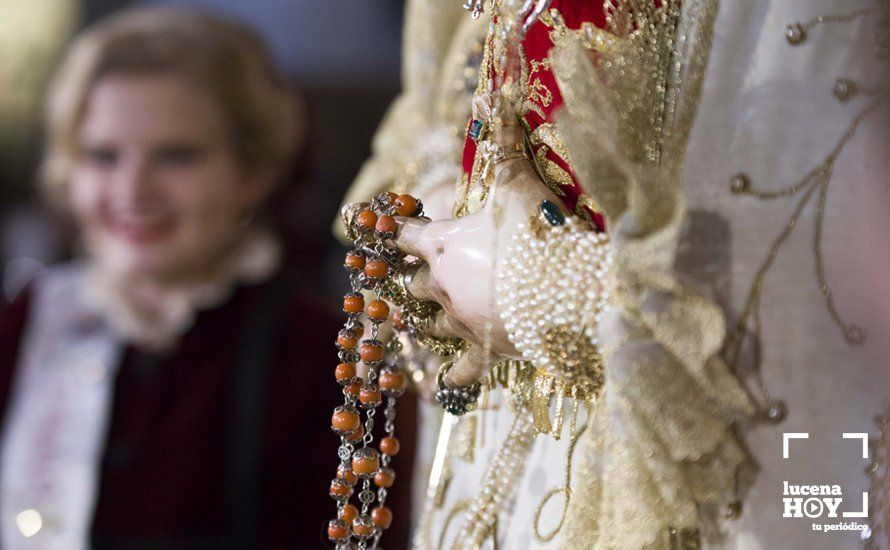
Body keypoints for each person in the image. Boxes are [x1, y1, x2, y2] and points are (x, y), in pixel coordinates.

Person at [340, 0, 890, 548]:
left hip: (706, 434)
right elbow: (454, 73)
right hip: (506, 413)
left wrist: (569, 295)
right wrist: (443, 198)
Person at [0, 8, 343, 548]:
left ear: (253, 172)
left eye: (176, 156)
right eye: (102, 155)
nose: (132, 189)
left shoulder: (321, 354)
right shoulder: (24, 322)